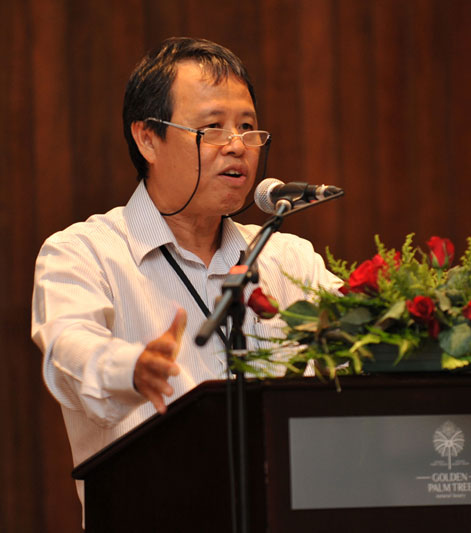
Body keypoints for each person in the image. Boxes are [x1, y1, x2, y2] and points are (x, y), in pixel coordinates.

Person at [30, 37, 340, 508]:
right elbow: (69, 351)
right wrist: (133, 368)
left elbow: (362, 335)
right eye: (212, 128)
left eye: (248, 128)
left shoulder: (289, 259)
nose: (237, 146)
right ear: (147, 139)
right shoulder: (84, 253)